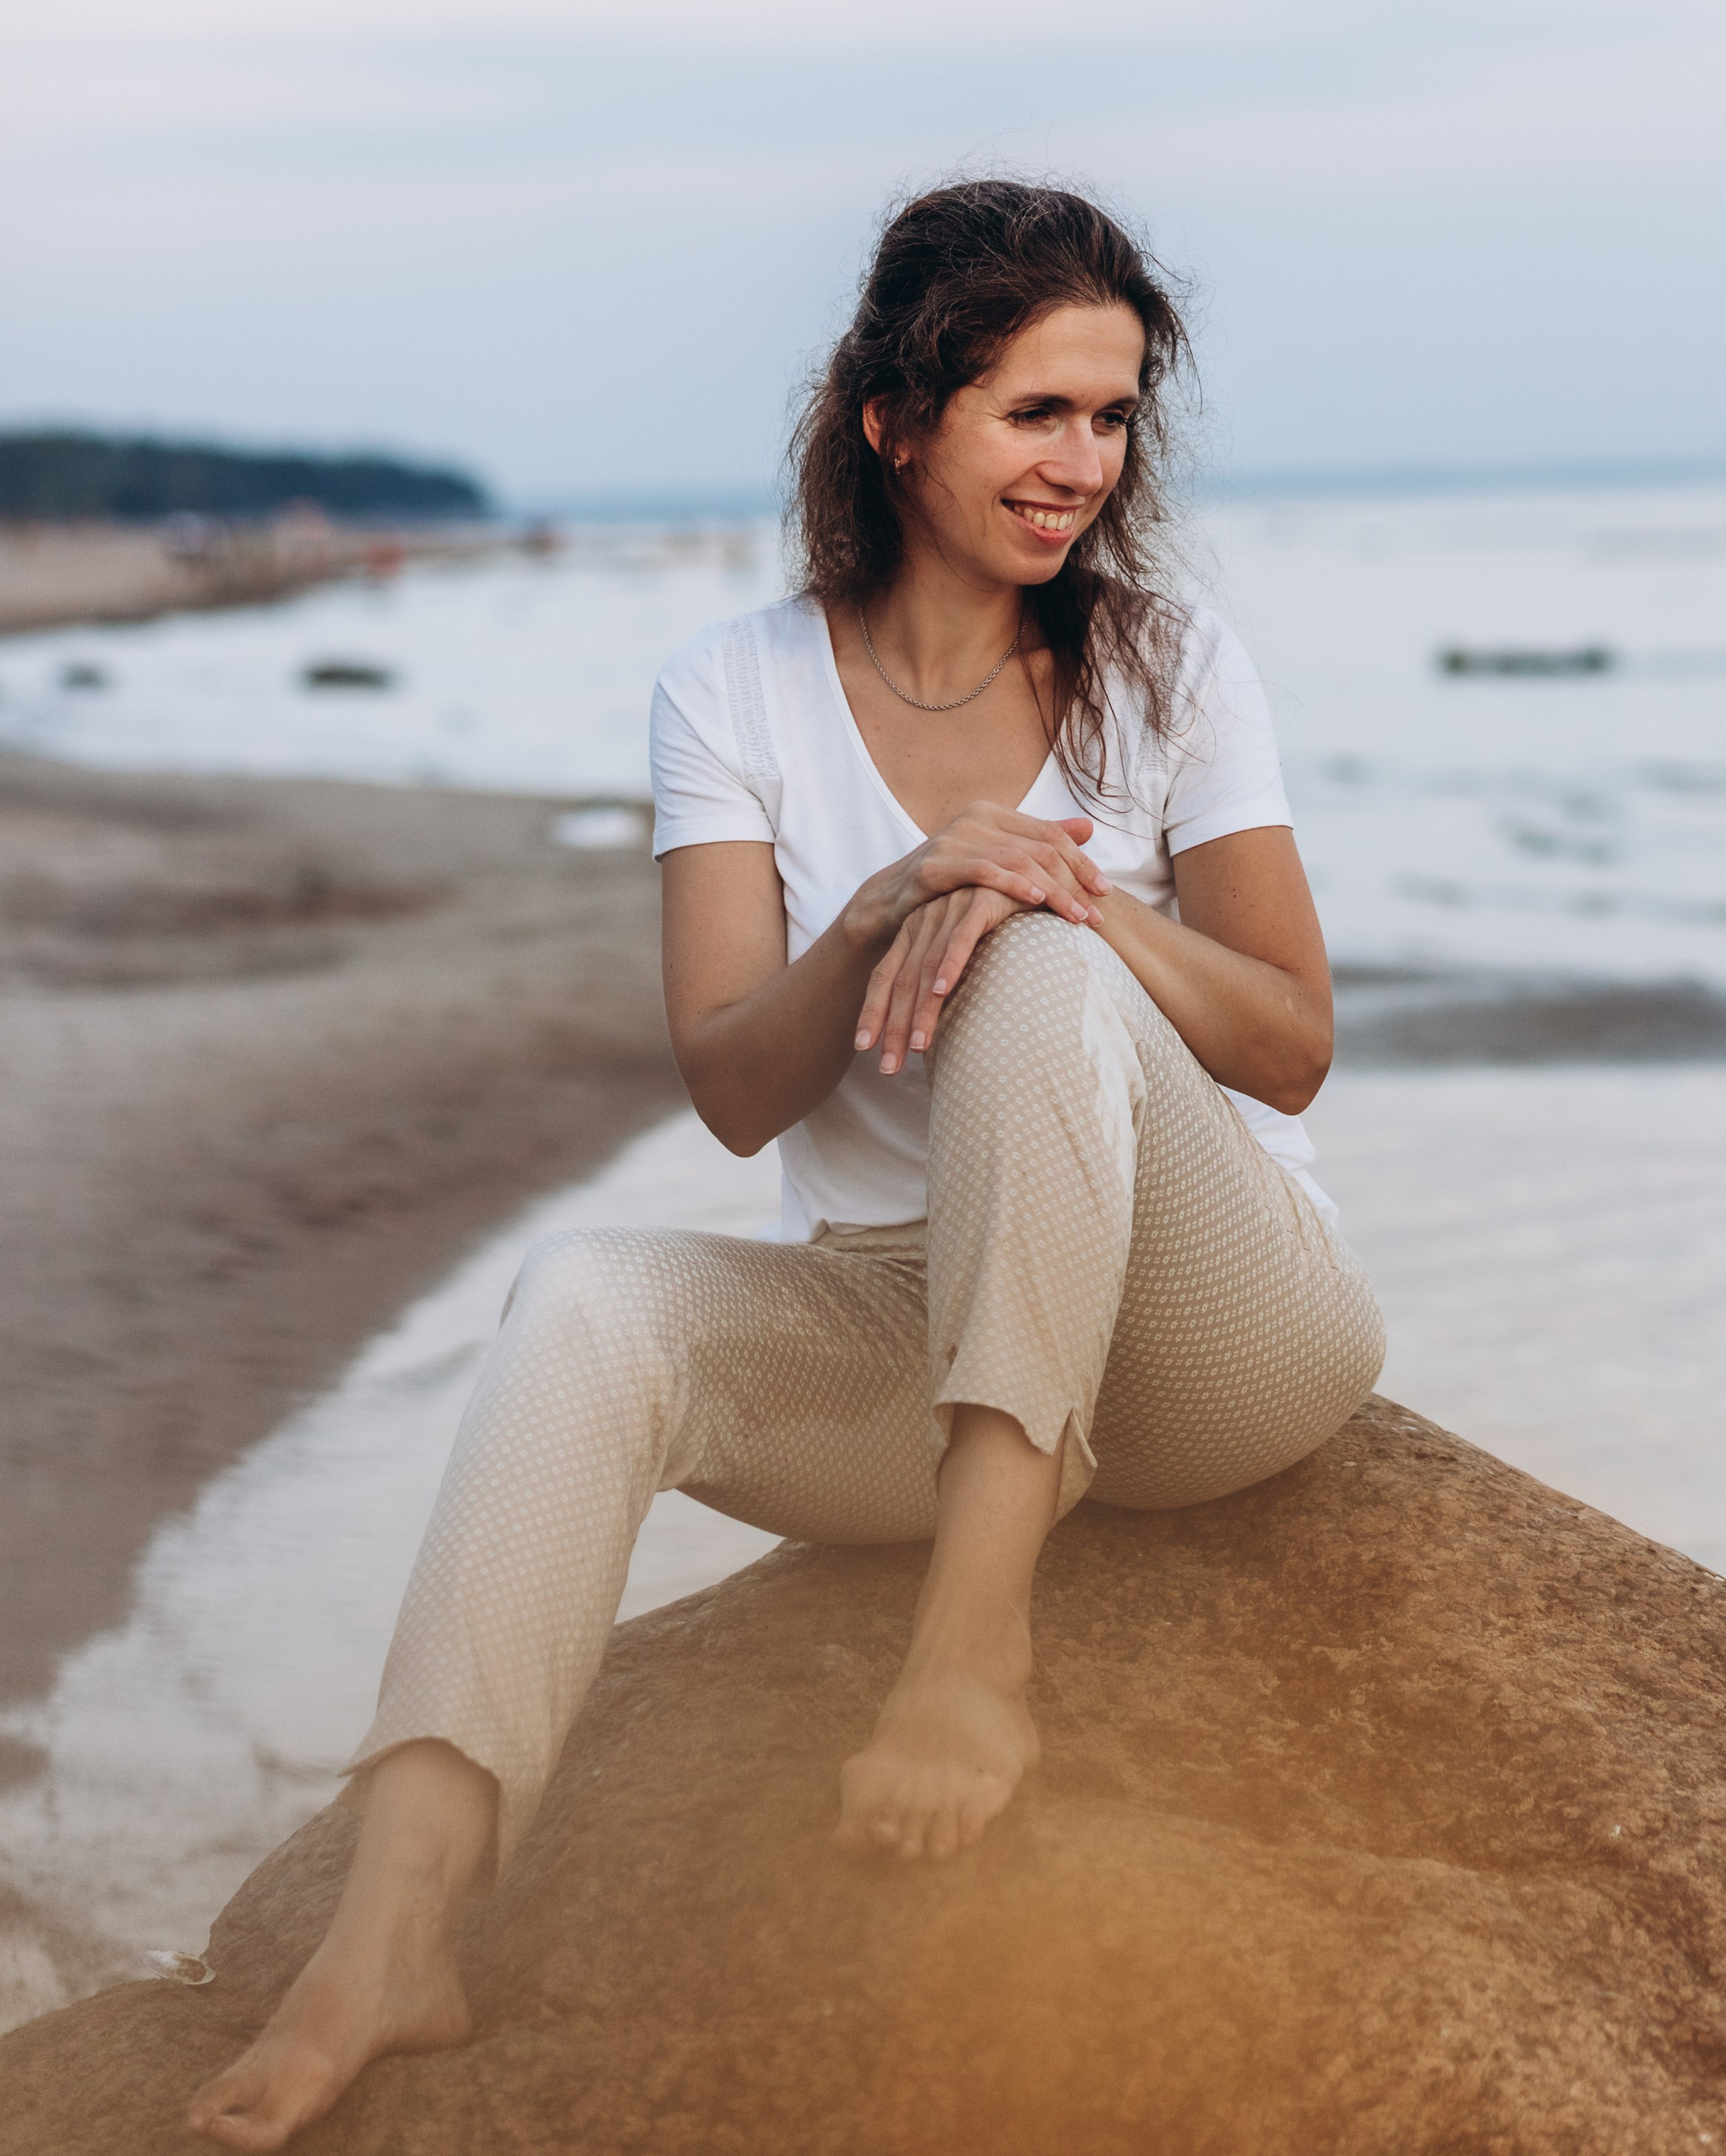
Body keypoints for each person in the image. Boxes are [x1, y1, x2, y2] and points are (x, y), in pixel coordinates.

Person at [189, 179, 1385, 2151]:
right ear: (894, 415)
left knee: (1037, 961)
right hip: (897, 1341)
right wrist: (883, 905)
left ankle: (970, 1651)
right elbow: (736, 1090)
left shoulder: (1171, 669)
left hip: (1211, 1339)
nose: (1080, 462)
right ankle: (391, 1936)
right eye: (1034, 412)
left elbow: (1289, 1036)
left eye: (1108, 418)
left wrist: (1062, 901)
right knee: (582, 1298)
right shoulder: (727, 692)